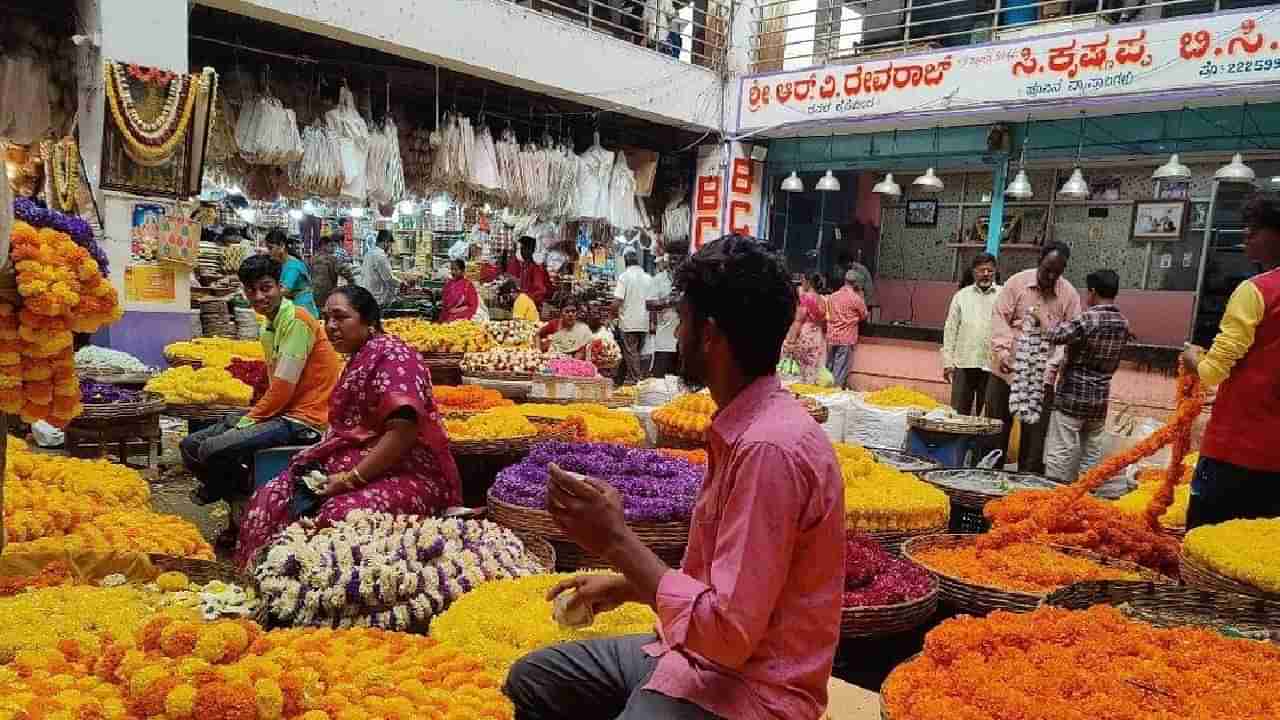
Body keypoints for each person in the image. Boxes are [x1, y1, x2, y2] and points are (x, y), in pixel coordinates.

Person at [504, 234, 843, 720]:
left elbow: (728, 635)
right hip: (695, 653)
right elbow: (723, 586)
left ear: (708, 335)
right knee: (533, 681)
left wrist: (616, 540)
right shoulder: (743, 426)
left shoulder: (769, 450)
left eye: (680, 321)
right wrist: (626, 584)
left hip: (753, 687)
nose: (676, 335)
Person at [234, 285, 463, 568]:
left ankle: (310, 590)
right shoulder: (359, 357)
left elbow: (402, 432)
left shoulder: (395, 357)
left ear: (368, 321)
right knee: (273, 495)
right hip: (358, 468)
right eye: (327, 317)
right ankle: (263, 580)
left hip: (410, 472)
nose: (331, 326)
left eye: (341, 317)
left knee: (340, 516)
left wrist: (349, 479)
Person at [181, 255, 342, 546]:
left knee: (210, 449)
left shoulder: (296, 321)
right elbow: (272, 381)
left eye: (266, 288)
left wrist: (248, 419)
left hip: (304, 419)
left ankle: (239, 497)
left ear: (281, 286)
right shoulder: (269, 326)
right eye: (251, 290)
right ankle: (235, 492)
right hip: (281, 411)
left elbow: (281, 388)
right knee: (189, 445)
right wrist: (251, 413)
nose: (259, 296)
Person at [1180, 193, 1280, 528]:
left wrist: (1193, 357)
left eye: (1254, 230)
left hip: (1236, 448)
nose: (1246, 237)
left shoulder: (1256, 291)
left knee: (1204, 546)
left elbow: (1212, 372)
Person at [986, 241, 1082, 473]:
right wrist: (1003, 353)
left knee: (1034, 440)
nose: (1050, 276)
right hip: (1006, 372)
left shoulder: (1068, 294)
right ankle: (988, 481)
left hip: (1041, 377)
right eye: (1046, 269)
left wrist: (1052, 366)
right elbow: (999, 318)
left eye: (1056, 272)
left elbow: (1072, 334)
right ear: (1039, 261)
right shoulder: (1016, 283)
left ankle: (1025, 490)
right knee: (995, 432)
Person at [1040, 269, 1130, 491]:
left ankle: (1055, 497)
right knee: (1090, 457)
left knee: (1060, 453)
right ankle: (1084, 497)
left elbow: (1055, 335)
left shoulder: (1088, 318)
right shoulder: (1123, 322)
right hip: (1099, 401)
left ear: (1093, 291)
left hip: (1072, 398)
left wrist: (1038, 317)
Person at [942, 253, 1001, 415]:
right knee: (958, 413)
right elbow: (950, 329)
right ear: (974, 272)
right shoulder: (961, 296)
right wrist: (948, 362)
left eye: (990, 270)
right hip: (964, 362)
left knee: (989, 414)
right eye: (982, 270)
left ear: (995, 271)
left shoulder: (1003, 296)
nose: (986, 274)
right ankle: (959, 441)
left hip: (991, 365)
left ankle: (981, 442)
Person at [825, 268, 869, 389]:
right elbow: (864, 315)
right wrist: (861, 295)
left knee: (829, 365)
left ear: (844, 280)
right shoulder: (856, 299)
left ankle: (824, 389)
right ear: (855, 283)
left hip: (831, 336)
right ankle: (835, 391)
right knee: (840, 369)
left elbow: (827, 314)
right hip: (846, 338)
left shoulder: (832, 297)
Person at [782, 274, 827, 383]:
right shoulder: (822, 300)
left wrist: (790, 341)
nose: (801, 283)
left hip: (805, 337)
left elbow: (798, 320)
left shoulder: (805, 298)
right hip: (818, 338)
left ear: (808, 282)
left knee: (801, 372)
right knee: (814, 371)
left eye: (802, 280)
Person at [614, 251, 652, 383]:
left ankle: (636, 380)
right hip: (644, 322)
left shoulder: (624, 277)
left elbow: (618, 300)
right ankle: (623, 378)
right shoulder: (648, 278)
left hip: (629, 322)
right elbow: (652, 301)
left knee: (631, 353)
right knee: (635, 353)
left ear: (625, 262)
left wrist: (610, 316)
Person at [265, 230, 321, 319]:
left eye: (270, 248)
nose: (269, 252)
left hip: (303, 307)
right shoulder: (283, 263)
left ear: (282, 246)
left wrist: (265, 298)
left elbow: (284, 290)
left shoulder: (293, 266)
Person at [645, 255, 678, 378]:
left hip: (687, 344)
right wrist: (669, 301)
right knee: (661, 384)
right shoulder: (659, 279)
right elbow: (649, 304)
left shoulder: (691, 276)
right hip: (665, 343)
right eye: (674, 258)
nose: (676, 261)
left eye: (680, 257)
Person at [309, 235, 355, 310]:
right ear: (324, 245)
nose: (333, 248)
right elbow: (345, 271)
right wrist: (352, 282)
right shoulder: (331, 259)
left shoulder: (313, 259)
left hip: (313, 293)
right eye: (331, 246)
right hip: (327, 293)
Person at [508, 235, 550, 309]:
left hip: (533, 308)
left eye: (524, 249)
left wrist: (522, 297)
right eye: (521, 249)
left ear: (531, 250)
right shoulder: (524, 266)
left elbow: (540, 292)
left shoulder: (536, 269)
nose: (521, 251)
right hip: (524, 305)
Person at [361, 229, 398, 307]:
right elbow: (388, 278)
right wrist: (401, 284)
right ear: (385, 242)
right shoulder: (380, 256)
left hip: (368, 295)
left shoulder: (369, 253)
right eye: (390, 244)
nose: (390, 247)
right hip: (377, 299)